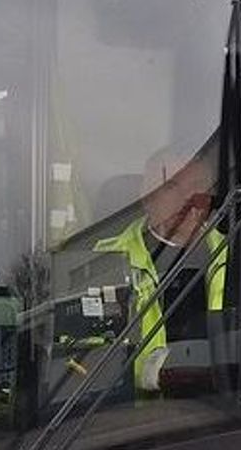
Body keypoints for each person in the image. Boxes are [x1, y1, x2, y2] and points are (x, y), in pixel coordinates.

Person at [94, 146, 227, 392]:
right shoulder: (104, 263)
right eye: (171, 186)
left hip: (224, 410)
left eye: (198, 186)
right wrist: (149, 373)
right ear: (146, 197)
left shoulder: (238, 254)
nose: (189, 198)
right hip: (137, 420)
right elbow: (89, 369)